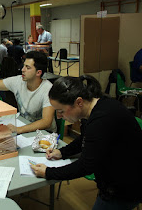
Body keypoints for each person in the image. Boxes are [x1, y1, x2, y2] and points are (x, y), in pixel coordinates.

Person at [32, 75, 142, 209]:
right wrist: (62, 152)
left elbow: (86, 165)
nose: (59, 116)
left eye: (60, 111)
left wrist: (48, 172)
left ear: (79, 102)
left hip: (125, 186)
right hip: (116, 175)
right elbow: (86, 138)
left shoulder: (102, 120)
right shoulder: (93, 108)